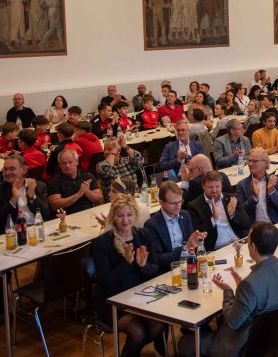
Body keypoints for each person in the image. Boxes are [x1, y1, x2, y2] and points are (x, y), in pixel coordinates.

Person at [178, 222, 278, 357]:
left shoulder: (250, 285)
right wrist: (243, 288)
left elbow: (232, 322)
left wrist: (228, 290)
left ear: (252, 246)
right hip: (275, 338)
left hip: (242, 346)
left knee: (184, 343)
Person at [92, 194, 165, 357]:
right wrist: (125, 262)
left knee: (158, 325)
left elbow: (155, 269)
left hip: (140, 296)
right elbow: (106, 282)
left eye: (129, 215)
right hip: (111, 300)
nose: (125, 220)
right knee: (137, 331)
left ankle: (132, 352)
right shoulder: (103, 242)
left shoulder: (144, 235)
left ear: (136, 216)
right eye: (120, 215)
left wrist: (142, 265)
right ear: (113, 217)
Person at [143, 181, 201, 271]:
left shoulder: (185, 215)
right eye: (173, 203)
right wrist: (185, 248)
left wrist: (198, 240)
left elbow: (192, 244)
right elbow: (158, 259)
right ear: (161, 203)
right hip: (168, 270)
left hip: (189, 265)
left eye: (180, 201)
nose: (178, 206)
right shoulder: (151, 225)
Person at [188, 171, 252, 251]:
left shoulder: (231, 198)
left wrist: (232, 214)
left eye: (217, 186)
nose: (214, 190)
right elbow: (197, 233)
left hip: (239, 243)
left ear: (222, 185)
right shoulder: (194, 206)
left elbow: (247, 224)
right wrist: (213, 219)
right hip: (217, 249)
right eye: (210, 187)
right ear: (203, 186)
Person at [0, 154, 49, 232]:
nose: (7, 173)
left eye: (12, 169)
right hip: (13, 234)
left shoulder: (39, 186)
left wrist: (32, 196)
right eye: (5, 169)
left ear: (24, 170)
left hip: (38, 229)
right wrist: (13, 200)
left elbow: (46, 214)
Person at [235, 148, 278, 223]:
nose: (250, 164)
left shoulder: (277, 181)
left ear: (265, 163)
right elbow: (241, 213)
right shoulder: (242, 185)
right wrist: (254, 198)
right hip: (256, 227)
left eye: (254, 161)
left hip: (275, 224)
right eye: (249, 161)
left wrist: (272, 191)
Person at [48, 149, 102, 214]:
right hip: (66, 218)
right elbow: (54, 205)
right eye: (64, 163)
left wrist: (87, 191)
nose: (67, 166)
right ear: (60, 165)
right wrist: (77, 195)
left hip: (88, 214)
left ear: (77, 162)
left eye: (70, 162)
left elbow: (99, 200)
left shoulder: (87, 176)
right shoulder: (55, 181)